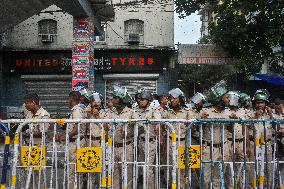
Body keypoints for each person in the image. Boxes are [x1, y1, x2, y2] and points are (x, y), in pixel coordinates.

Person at [199, 81, 231, 189]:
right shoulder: (206, 112)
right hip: (208, 147)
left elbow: (231, 129)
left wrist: (234, 119)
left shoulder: (228, 113)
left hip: (223, 147)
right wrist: (201, 118)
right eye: (226, 97)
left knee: (218, 175)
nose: (229, 100)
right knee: (206, 177)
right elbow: (195, 126)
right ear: (219, 98)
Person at [102, 86, 134, 189]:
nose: (113, 100)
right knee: (114, 172)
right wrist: (105, 126)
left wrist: (130, 134)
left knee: (127, 172)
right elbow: (104, 124)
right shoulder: (110, 112)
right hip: (113, 147)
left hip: (127, 147)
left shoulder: (131, 112)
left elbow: (141, 127)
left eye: (115, 98)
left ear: (122, 99)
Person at [55, 91, 87, 188]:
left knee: (73, 170)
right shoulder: (75, 110)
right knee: (74, 170)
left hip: (76, 144)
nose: (67, 101)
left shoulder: (76, 110)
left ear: (71, 99)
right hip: (75, 142)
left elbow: (76, 128)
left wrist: (64, 137)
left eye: (68, 99)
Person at [132, 90, 162, 188]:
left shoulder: (154, 110)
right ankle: (143, 184)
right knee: (141, 166)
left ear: (148, 100)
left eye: (143, 100)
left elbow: (158, 123)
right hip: (140, 141)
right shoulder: (136, 109)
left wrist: (159, 134)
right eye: (140, 99)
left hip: (150, 143)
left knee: (148, 168)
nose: (141, 101)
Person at [247, 89, 274, 188]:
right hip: (254, 143)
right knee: (254, 168)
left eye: (261, 102)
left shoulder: (270, 114)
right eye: (257, 103)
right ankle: (254, 186)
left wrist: (271, 115)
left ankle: (268, 186)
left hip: (267, 144)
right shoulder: (250, 113)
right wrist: (255, 116)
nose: (259, 105)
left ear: (265, 103)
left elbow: (277, 126)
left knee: (268, 167)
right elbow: (246, 126)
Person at [23, 93, 50, 188]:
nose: (25, 105)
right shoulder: (29, 114)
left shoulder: (44, 115)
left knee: (38, 173)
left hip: (38, 147)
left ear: (33, 102)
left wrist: (26, 134)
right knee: (28, 172)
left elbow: (42, 132)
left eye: (27, 103)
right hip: (27, 147)